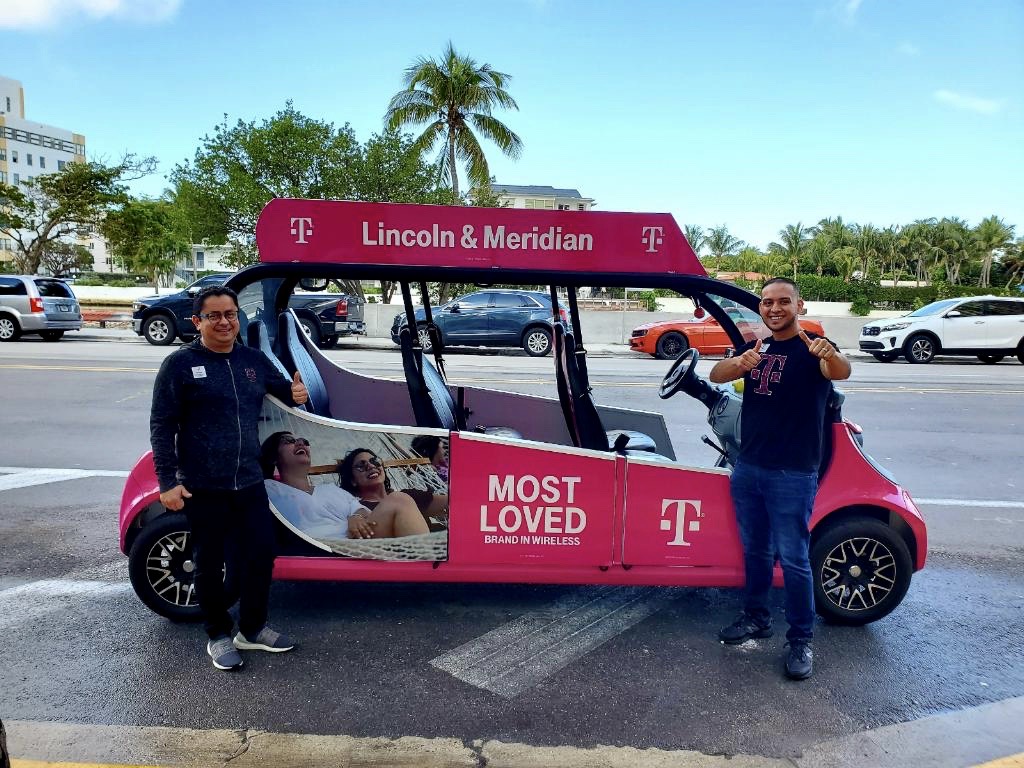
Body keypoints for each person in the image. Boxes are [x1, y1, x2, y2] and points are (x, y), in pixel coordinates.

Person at [150, 286, 309, 672]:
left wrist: (296, 393)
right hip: (204, 484)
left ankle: (252, 629)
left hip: (249, 480)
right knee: (209, 563)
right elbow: (162, 424)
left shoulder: (251, 361)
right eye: (214, 316)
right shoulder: (180, 364)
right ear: (197, 321)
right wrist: (167, 482)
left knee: (260, 554)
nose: (224, 322)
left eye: (231, 314)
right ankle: (218, 634)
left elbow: (283, 393)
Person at [708, 278, 851, 681]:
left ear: (799, 306)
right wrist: (738, 364)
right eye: (767, 302)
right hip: (750, 467)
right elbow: (718, 375)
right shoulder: (757, 348)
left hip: (792, 472)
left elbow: (839, 369)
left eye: (783, 302)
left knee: (794, 560)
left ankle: (801, 640)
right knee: (755, 552)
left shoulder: (814, 349)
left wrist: (830, 355)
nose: (774, 308)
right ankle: (756, 618)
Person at [260, 432, 430, 540]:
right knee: (400, 500)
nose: (300, 443)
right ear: (273, 458)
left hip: (354, 539)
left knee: (400, 499)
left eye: (303, 441)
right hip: (317, 546)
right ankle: (432, 574)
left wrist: (355, 518)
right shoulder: (268, 489)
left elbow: (359, 509)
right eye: (289, 441)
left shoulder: (330, 489)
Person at [337, 448, 448, 529]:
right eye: (361, 465)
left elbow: (452, 502)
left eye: (374, 461)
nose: (371, 466)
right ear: (353, 480)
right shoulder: (357, 510)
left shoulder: (409, 496)